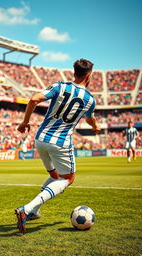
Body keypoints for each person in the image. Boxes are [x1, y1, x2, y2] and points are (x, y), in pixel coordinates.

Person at [15, 58, 100, 234]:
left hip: (40, 139)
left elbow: (33, 99)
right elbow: (90, 118)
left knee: (55, 176)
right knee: (68, 179)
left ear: (74, 72)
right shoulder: (90, 100)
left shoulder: (60, 86)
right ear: (89, 75)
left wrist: (25, 123)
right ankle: (27, 209)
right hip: (60, 142)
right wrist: (95, 126)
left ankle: (34, 211)